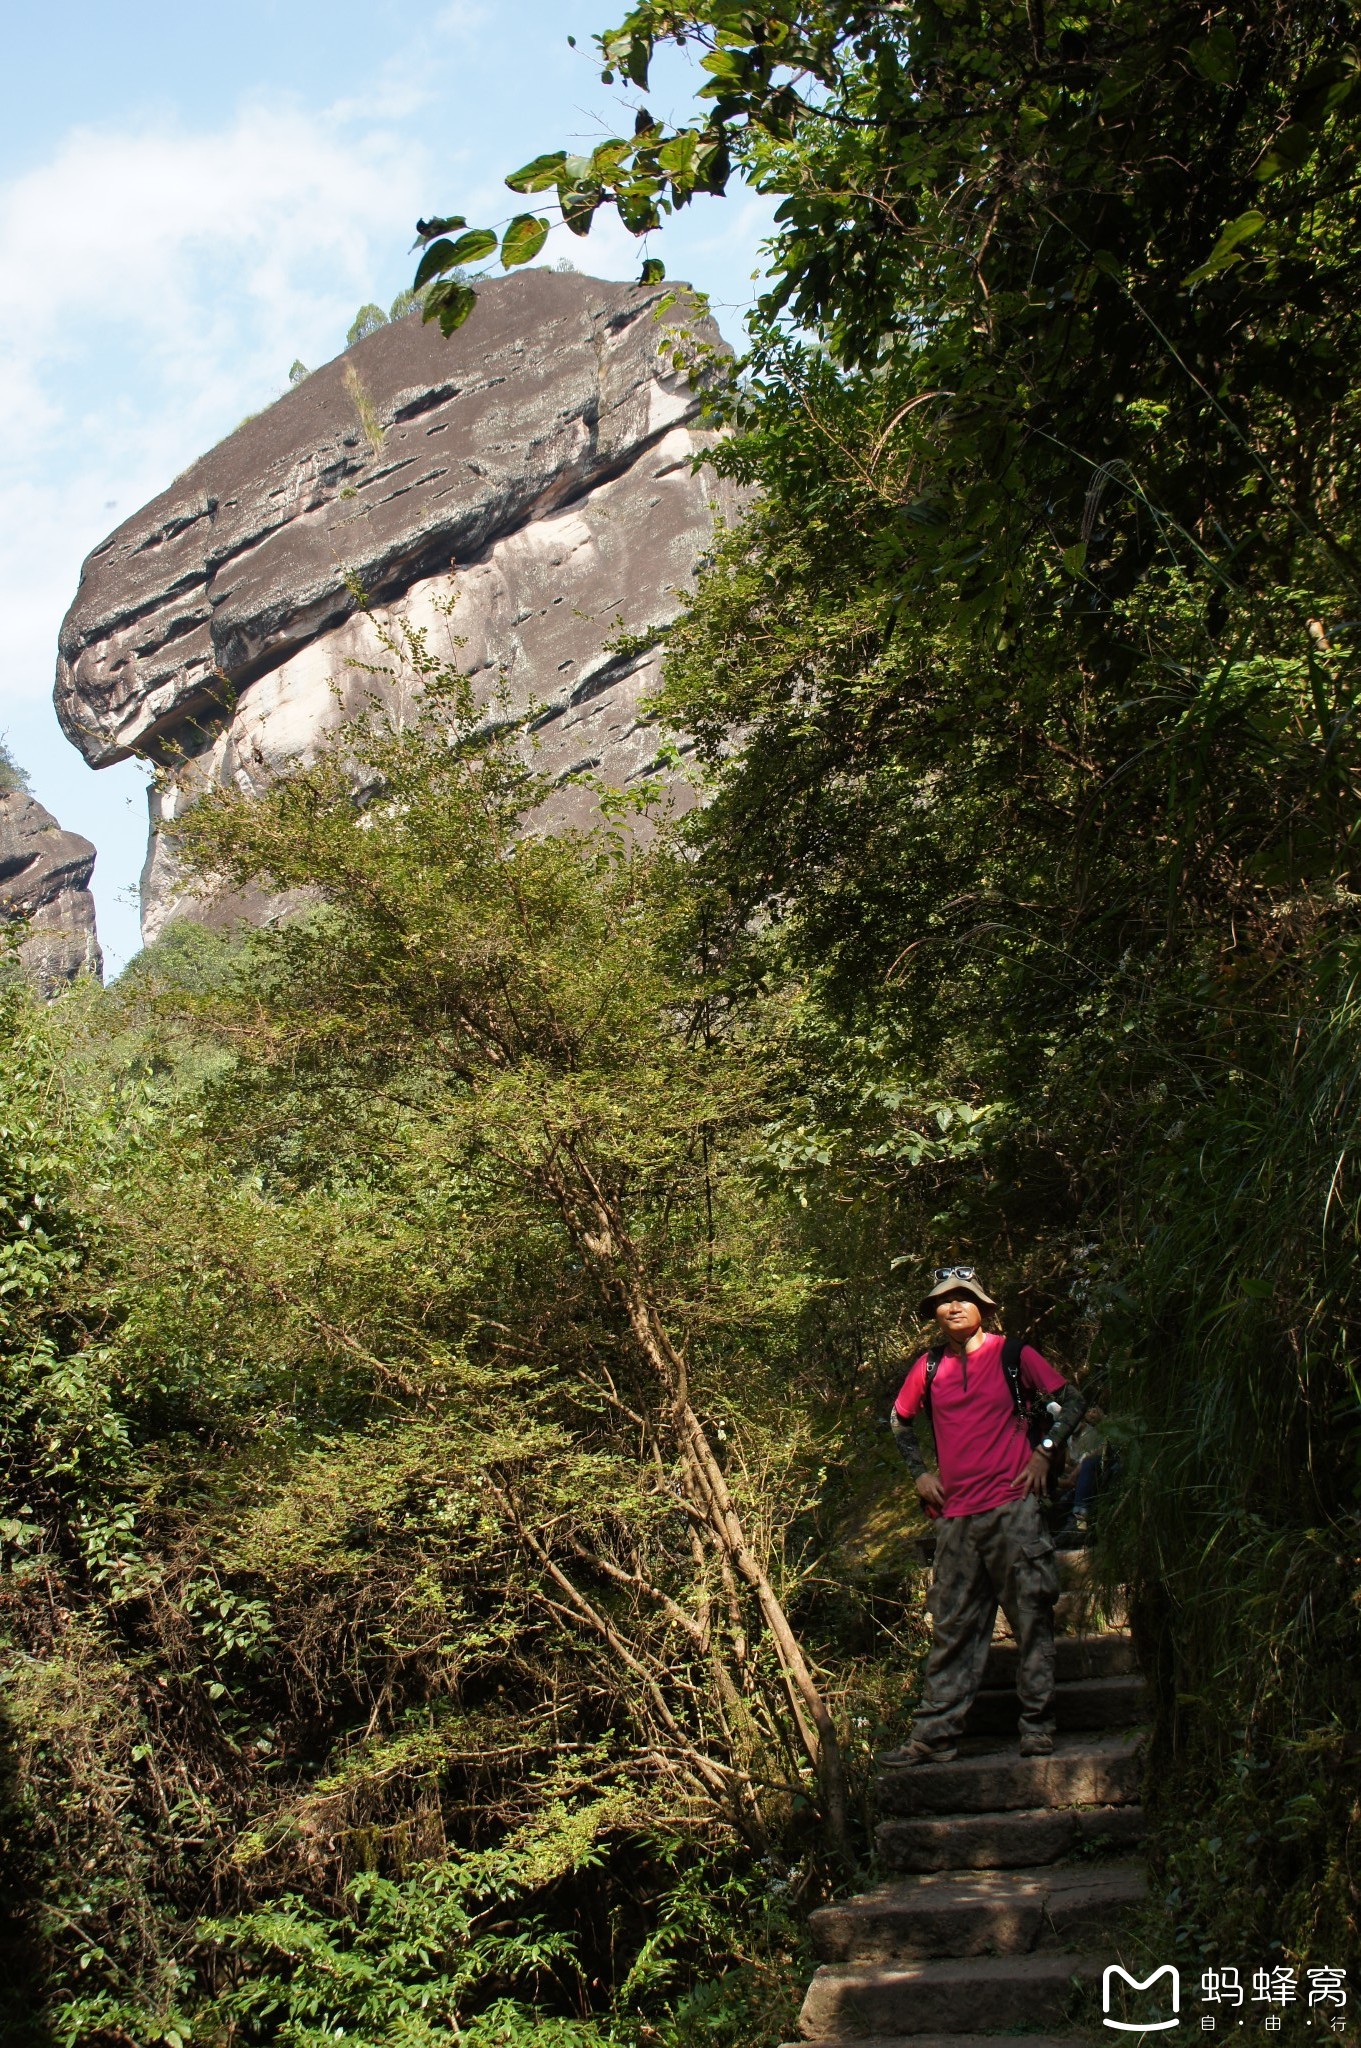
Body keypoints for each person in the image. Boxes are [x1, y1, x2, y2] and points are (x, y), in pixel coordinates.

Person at [886, 1265, 1088, 1762]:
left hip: (1012, 1510)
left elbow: (1073, 1400)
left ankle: (1037, 1727)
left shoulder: (1013, 1355)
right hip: (955, 1518)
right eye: (943, 1300)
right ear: (933, 1313)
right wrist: (919, 1474)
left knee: (1030, 1619)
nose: (953, 1305)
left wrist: (1044, 1449)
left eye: (963, 1297)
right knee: (952, 1625)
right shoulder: (928, 1367)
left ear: (983, 1307)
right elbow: (899, 1420)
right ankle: (934, 1737)